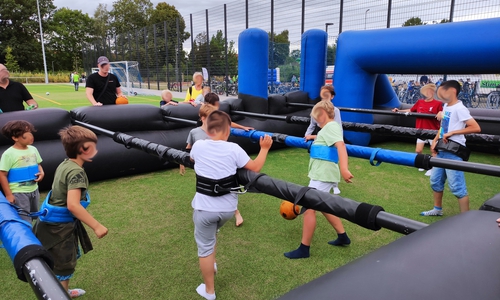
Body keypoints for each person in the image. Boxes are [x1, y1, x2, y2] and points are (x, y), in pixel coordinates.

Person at [190, 110, 273, 299]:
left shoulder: (199, 145)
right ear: (228, 131)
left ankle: (209, 291)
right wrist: (265, 148)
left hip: (204, 210)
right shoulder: (234, 148)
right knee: (212, 238)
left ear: (207, 129)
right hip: (227, 211)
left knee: (205, 248)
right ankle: (213, 264)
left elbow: (193, 158)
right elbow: (255, 167)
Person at [34, 126, 108, 298]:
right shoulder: (76, 172)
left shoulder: (65, 163)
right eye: (93, 147)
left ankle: (61, 291)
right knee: (64, 263)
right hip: (59, 229)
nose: (96, 150)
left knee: (57, 261)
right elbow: (73, 205)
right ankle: (61, 294)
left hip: (48, 224)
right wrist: (96, 226)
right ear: (82, 150)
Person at [284, 100, 353, 259]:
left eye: (316, 118)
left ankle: (304, 248)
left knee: (308, 207)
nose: (314, 121)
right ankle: (342, 236)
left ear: (322, 115)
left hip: (324, 174)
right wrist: (313, 136)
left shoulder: (332, 126)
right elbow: (327, 138)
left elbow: (340, 146)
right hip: (320, 173)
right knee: (323, 205)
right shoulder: (328, 129)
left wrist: (344, 168)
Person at [420, 80, 481, 216]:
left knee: (457, 187)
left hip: (453, 152)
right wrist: (435, 141)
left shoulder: (460, 108)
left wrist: (453, 133)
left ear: (452, 91)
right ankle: (437, 209)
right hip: (441, 148)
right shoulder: (446, 106)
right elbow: (443, 127)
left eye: (442, 91)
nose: (439, 95)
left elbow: (476, 127)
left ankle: (465, 218)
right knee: (435, 181)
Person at [392, 84, 443, 176]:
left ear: (433, 92)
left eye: (431, 91)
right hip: (420, 130)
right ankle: (422, 164)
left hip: (433, 131)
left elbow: (444, 112)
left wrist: (441, 112)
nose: (429, 93)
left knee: (434, 150)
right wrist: (399, 110)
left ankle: (433, 168)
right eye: (427, 91)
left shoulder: (438, 103)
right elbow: (411, 110)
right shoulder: (419, 102)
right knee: (418, 150)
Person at [0, 121, 44, 223]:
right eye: (26, 135)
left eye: (31, 133)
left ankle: (34, 235)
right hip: (19, 192)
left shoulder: (33, 149)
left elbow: (38, 164)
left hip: (34, 190)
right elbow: (2, 175)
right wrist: (9, 195)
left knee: (35, 215)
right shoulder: (9, 154)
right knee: (24, 218)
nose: (31, 137)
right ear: (15, 138)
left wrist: (42, 173)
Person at [304, 85, 342, 194]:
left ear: (332, 97)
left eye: (327, 95)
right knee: (320, 158)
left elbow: (337, 129)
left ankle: (335, 184)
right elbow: (312, 125)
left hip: (331, 139)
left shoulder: (335, 111)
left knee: (332, 159)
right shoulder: (317, 109)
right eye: (322, 96)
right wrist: (307, 135)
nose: (324, 98)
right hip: (321, 139)